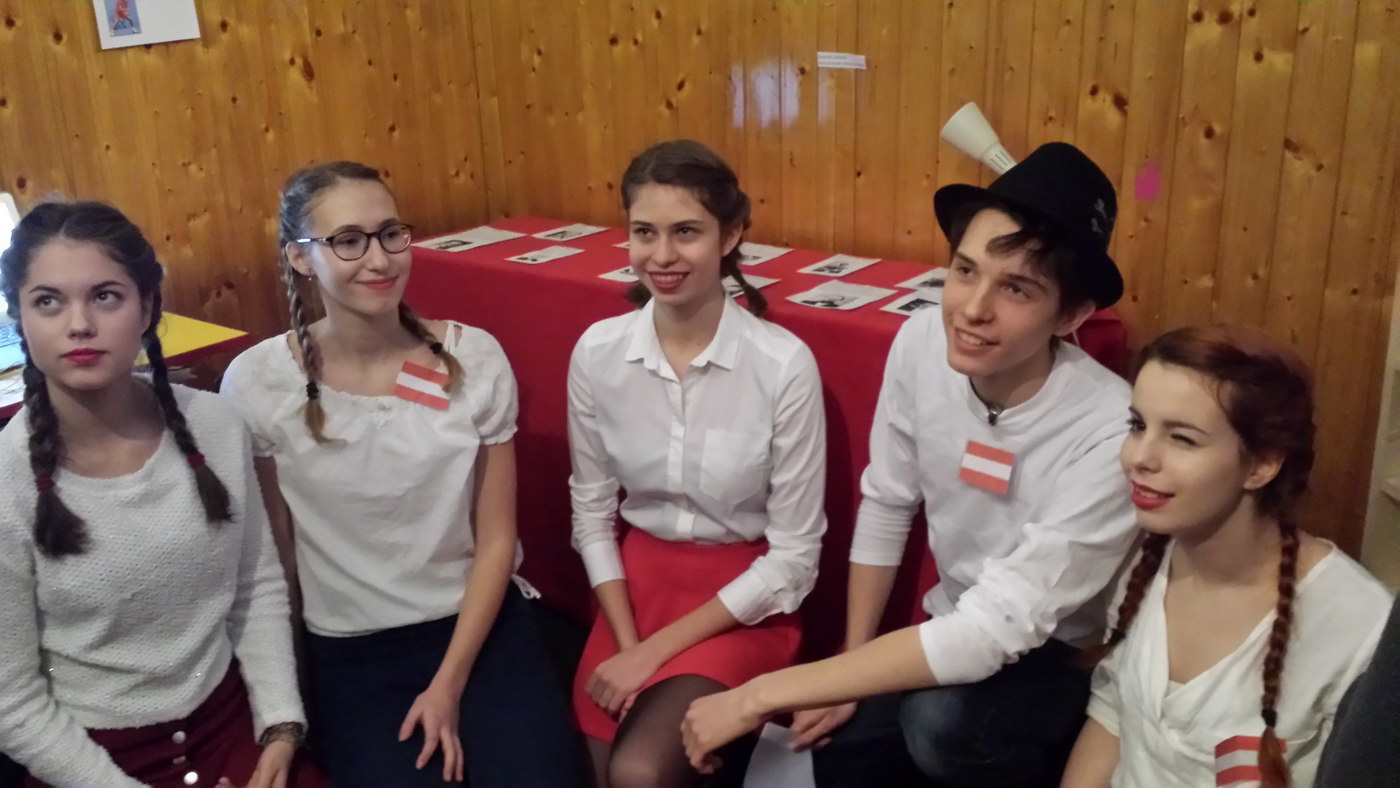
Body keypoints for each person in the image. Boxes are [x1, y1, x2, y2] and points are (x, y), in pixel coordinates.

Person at [681, 142, 1138, 787]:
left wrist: (758, 694)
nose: (973, 308)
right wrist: (852, 662)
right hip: (952, 621)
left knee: (941, 726)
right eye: (965, 270)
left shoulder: (1110, 429)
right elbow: (888, 499)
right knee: (817, 756)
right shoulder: (923, 340)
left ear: (1071, 316)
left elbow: (997, 628)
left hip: (1057, 654)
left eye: (1016, 288)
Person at [219, 161, 580, 787]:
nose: (379, 259)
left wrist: (449, 683)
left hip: (476, 625)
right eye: (348, 241)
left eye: (391, 234)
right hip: (351, 648)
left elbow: (497, 540)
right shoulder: (258, 382)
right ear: (301, 258)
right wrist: (291, 709)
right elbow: (277, 565)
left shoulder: (473, 356)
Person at [0, 201, 319, 788]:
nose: (79, 324)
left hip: (233, 731)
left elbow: (255, 587)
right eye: (48, 301)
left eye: (105, 296)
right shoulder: (7, 480)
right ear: (19, 316)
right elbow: (12, 700)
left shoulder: (216, 426)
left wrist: (280, 728)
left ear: (147, 308)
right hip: (88, 762)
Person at [568, 139, 827, 787]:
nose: (661, 255)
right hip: (633, 595)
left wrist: (652, 656)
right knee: (588, 773)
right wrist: (628, 643)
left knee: (639, 771)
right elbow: (591, 513)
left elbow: (795, 558)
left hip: (742, 602)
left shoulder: (782, 365)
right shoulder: (597, 352)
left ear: (730, 235)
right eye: (644, 232)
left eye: (686, 232)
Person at [1060, 325, 1392, 788]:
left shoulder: (1358, 625)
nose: (1139, 457)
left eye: (1182, 439)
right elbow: (1113, 714)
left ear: (1262, 464)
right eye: (1137, 426)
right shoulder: (1147, 561)